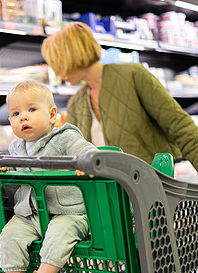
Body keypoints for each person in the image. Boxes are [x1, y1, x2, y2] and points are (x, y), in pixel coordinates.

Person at [0, 80, 98, 273]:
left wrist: (88, 161)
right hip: (29, 214)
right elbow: (9, 165)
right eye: (15, 113)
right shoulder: (15, 148)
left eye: (31, 109)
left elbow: (86, 149)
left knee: (59, 236)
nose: (23, 117)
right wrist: (0, 165)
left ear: (52, 115)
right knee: (9, 236)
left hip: (68, 213)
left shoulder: (65, 137)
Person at [41, 21, 198, 171]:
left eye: (56, 61)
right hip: (107, 192)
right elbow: (71, 154)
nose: (55, 71)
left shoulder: (132, 76)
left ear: (71, 55)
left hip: (152, 186)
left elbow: (181, 127)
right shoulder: (76, 103)